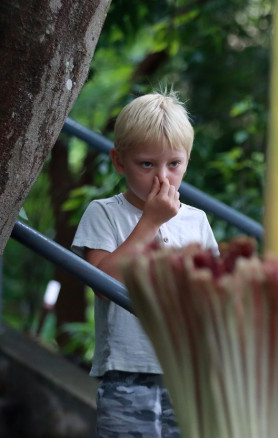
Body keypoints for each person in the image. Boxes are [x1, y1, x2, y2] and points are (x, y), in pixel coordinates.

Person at [72, 90, 219, 437]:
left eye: (174, 164)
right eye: (147, 164)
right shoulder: (104, 213)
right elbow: (103, 284)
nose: (162, 179)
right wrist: (150, 223)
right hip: (127, 370)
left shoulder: (197, 221)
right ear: (120, 161)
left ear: (187, 161)